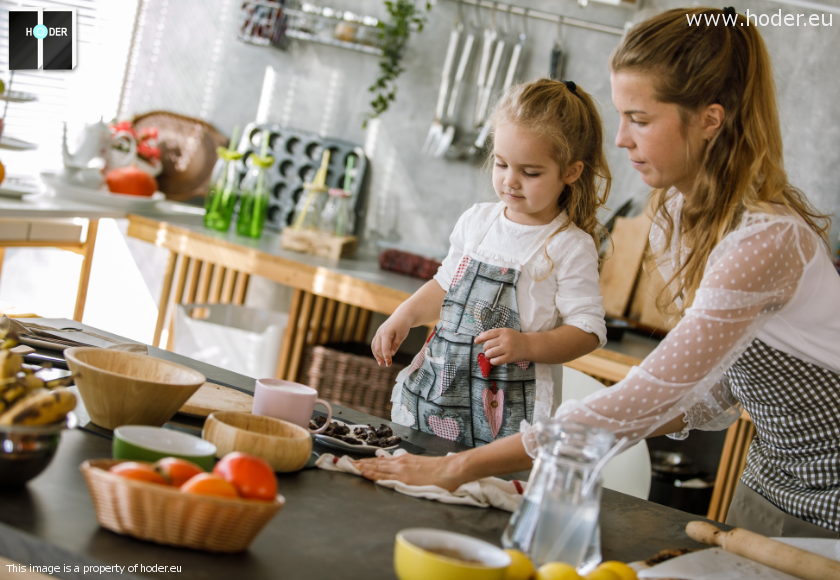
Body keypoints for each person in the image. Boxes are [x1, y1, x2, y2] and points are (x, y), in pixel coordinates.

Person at [359, 6, 840, 538]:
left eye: (639, 118)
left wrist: (460, 466)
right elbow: (713, 387)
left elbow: (656, 389)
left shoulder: (766, 241)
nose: (620, 139)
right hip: (769, 491)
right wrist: (591, 431)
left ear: (709, 118)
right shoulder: (681, 217)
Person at [370, 79, 610, 448]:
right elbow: (444, 286)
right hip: (440, 393)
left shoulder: (569, 246)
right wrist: (404, 315)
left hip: (511, 412)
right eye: (501, 164)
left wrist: (527, 346)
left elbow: (588, 330)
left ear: (571, 172)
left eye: (530, 172)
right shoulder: (477, 222)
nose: (510, 181)